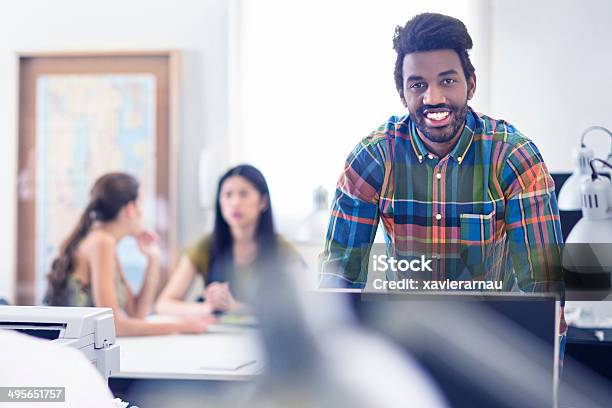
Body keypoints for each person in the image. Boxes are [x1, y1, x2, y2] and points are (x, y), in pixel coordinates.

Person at [318, 13, 564, 297]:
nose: (433, 98)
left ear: (471, 84)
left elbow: (545, 285)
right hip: (404, 333)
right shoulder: (373, 158)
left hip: (489, 334)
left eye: (447, 81)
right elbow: (338, 280)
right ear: (402, 93)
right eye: (418, 85)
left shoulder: (513, 156)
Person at [45, 172, 210, 336]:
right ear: (129, 209)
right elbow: (113, 326)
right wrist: (179, 326)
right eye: (140, 205)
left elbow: (137, 313)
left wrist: (153, 259)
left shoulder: (106, 243)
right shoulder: (102, 243)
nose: (142, 213)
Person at [156, 164, 300, 316]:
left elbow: (296, 309)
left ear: (263, 202)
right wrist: (209, 308)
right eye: (228, 195)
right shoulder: (206, 245)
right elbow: (163, 304)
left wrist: (236, 308)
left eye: (244, 194)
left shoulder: (282, 249)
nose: (235, 202)